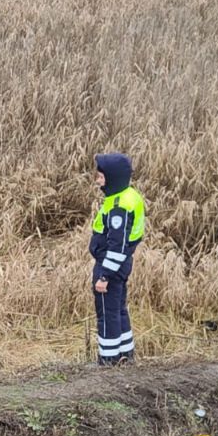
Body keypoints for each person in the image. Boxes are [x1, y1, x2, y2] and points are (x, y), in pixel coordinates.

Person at [90, 153, 146, 365]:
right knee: (119, 309)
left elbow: (117, 246)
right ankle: (125, 355)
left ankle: (109, 360)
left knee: (107, 313)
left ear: (113, 178)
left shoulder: (119, 207)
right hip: (121, 265)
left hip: (111, 265)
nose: (98, 180)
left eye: (101, 177)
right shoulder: (128, 195)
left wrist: (104, 276)